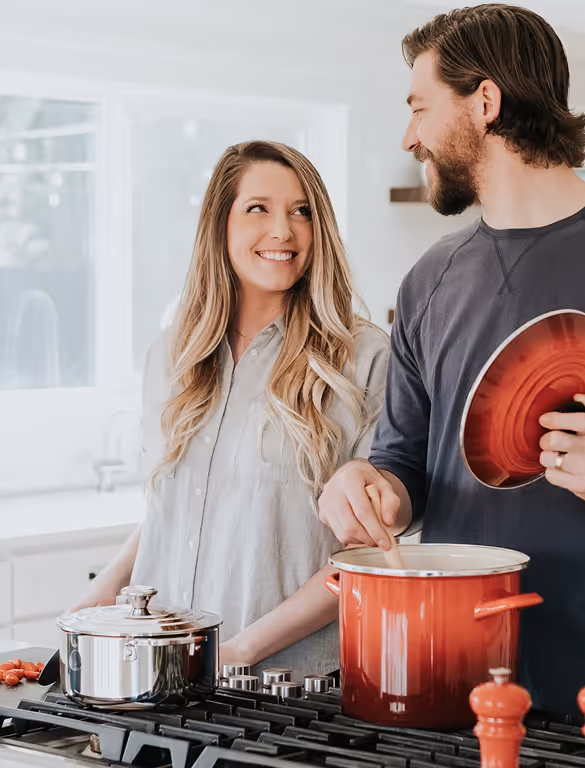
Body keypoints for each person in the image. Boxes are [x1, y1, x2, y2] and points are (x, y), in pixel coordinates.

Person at [317, 5, 585, 726]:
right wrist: (373, 489)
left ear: (484, 103)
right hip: (451, 668)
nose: (409, 137)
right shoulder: (429, 277)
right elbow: (404, 462)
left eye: (420, 107)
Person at [68, 140, 391, 678]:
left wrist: (236, 652)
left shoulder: (361, 360)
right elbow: (175, 510)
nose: (283, 231)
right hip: (160, 676)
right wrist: (91, 608)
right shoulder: (172, 355)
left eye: (301, 212)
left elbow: (367, 554)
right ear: (220, 225)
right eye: (258, 208)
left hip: (289, 687)